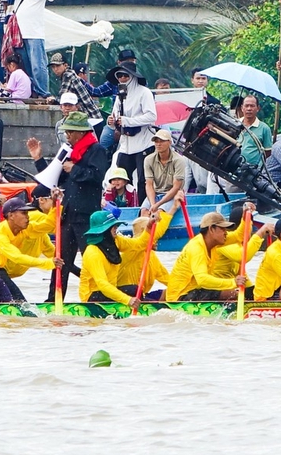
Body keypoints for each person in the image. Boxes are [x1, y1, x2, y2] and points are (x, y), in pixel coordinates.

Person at [80, 203, 172, 308]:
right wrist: (127, 300)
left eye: (115, 226)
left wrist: (149, 226)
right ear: (104, 231)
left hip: (109, 292)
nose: (116, 228)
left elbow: (139, 244)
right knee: (132, 291)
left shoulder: (116, 241)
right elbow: (103, 285)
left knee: (134, 289)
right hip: (92, 297)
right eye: (112, 226)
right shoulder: (92, 253)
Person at [166, 206, 241, 302]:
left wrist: (247, 217)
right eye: (222, 229)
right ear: (211, 229)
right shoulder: (196, 248)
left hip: (194, 290)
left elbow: (238, 235)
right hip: (180, 298)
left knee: (232, 292)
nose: (226, 233)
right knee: (232, 293)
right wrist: (233, 282)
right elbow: (202, 279)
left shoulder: (214, 242)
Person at [108, 63, 158, 192]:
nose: (123, 78)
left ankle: (142, 208)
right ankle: (125, 205)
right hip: (126, 144)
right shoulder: (120, 95)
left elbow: (152, 116)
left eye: (126, 75)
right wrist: (112, 120)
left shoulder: (144, 92)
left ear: (133, 76)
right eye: (119, 75)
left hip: (144, 143)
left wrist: (128, 121)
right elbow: (115, 115)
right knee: (120, 177)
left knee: (143, 179)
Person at [234, 96, 274, 171]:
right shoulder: (235, 123)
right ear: (242, 108)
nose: (249, 109)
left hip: (251, 171)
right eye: (246, 106)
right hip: (232, 168)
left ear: (258, 108)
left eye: (252, 106)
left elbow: (267, 152)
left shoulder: (264, 128)